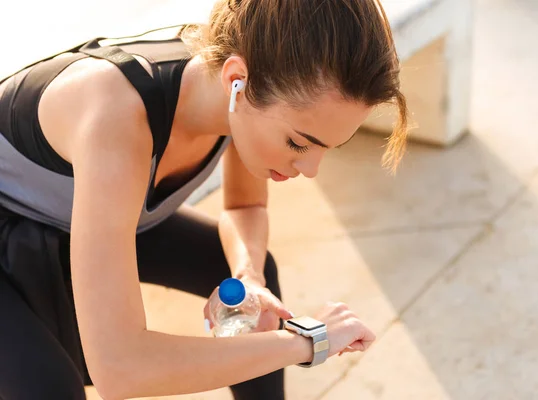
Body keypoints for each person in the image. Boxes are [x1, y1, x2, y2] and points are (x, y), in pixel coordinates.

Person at [0, 0, 408, 398]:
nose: (311, 169)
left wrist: (248, 276)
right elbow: (122, 370)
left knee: (250, 274)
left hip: (72, 210)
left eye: (328, 148)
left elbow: (245, 207)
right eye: (298, 142)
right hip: (16, 216)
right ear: (238, 81)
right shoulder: (116, 117)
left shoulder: (234, 88)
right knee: (48, 388)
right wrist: (308, 341)